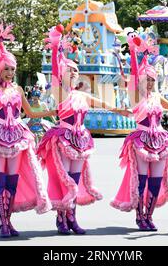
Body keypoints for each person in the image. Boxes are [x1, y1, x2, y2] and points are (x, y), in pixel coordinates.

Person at [36, 25, 129, 235]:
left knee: (75, 180)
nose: (75, 73)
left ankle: (72, 218)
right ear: (62, 72)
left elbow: (100, 102)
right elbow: (54, 70)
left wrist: (118, 111)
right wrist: (56, 46)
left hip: (81, 140)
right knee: (64, 179)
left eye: (76, 70)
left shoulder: (80, 95)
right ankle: (61, 217)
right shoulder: (60, 92)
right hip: (64, 138)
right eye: (71, 69)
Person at [110, 30, 168, 231]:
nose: (150, 82)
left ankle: (149, 216)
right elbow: (134, 73)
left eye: (152, 79)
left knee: (156, 181)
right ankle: (140, 216)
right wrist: (134, 51)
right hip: (141, 139)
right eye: (147, 79)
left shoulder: (156, 97)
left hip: (160, 140)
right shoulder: (136, 96)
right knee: (141, 181)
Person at [0, 18, 52, 238]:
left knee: (12, 181)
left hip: (18, 135)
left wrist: (53, 113)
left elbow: (30, 113)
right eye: (6, 68)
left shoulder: (18, 88)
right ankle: (1, 222)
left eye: (12, 69)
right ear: (0, 70)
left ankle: (8, 219)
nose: (9, 72)